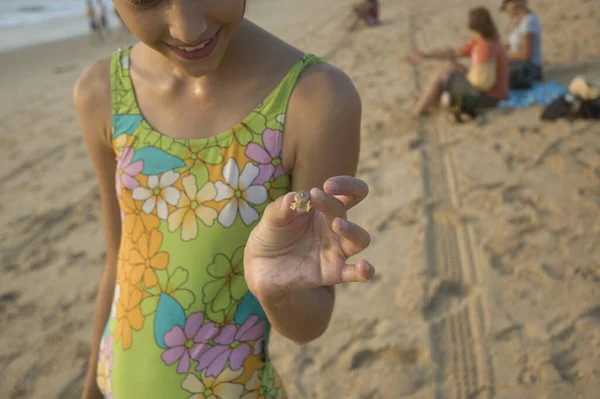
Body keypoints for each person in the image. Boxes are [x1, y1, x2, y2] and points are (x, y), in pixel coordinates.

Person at [73, 1, 375, 398]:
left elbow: (311, 321)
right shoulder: (102, 93)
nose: (187, 29)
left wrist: (273, 291)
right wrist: (93, 383)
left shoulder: (315, 101)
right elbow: (119, 261)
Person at [408, 7, 508, 117]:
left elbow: (482, 82)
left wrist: (462, 72)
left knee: (442, 74)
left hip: (489, 96)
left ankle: (417, 112)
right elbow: (453, 54)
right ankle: (428, 102)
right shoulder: (486, 41)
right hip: (491, 90)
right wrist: (426, 55)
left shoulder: (485, 47)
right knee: (450, 66)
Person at [501, 0, 543, 85]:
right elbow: (515, 44)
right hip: (519, 64)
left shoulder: (529, 22)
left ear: (513, 6)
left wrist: (505, 54)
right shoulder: (522, 21)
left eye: (506, 8)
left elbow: (526, 55)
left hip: (529, 68)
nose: (506, 12)